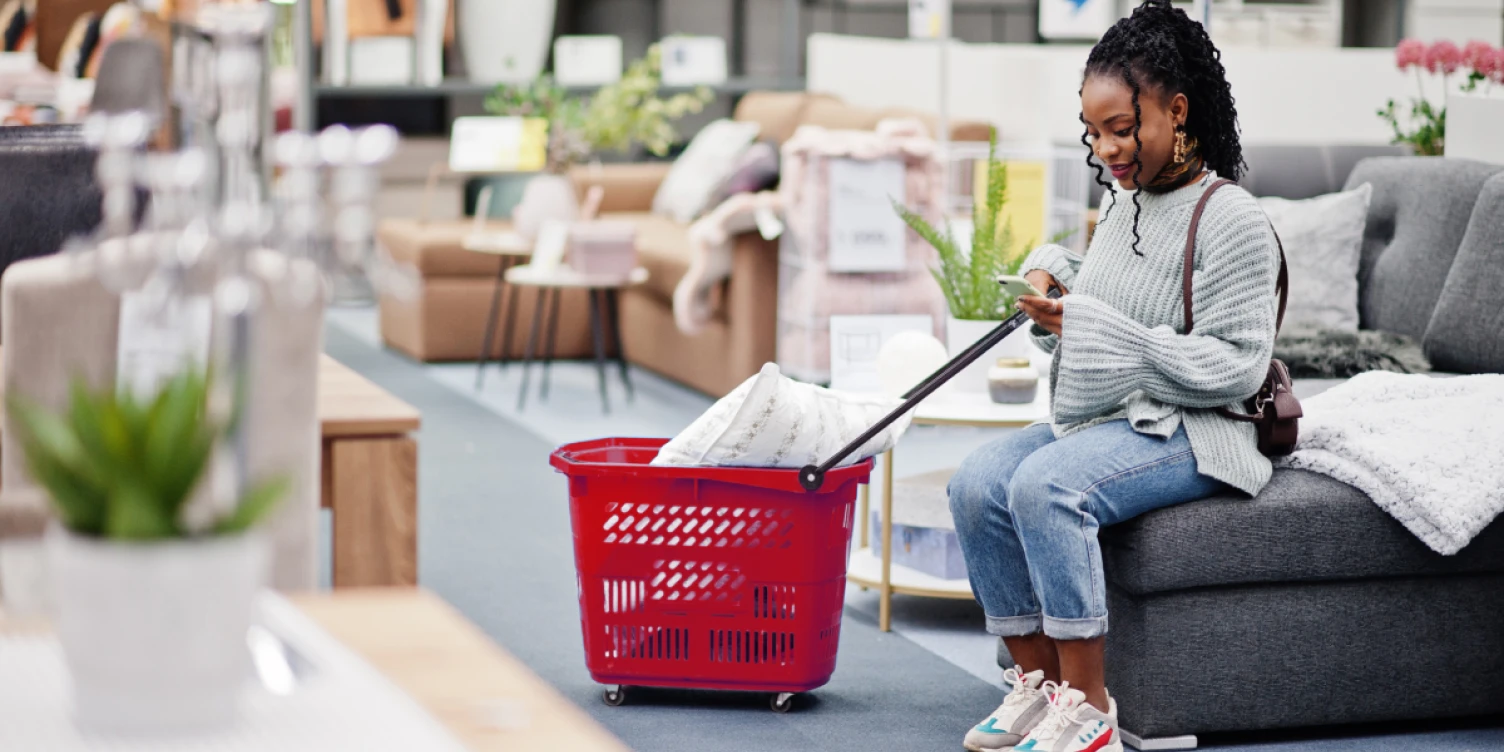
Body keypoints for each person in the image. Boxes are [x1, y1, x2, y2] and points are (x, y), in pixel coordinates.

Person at [949, 2, 1281, 751]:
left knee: (1045, 485)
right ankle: (1036, 686)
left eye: (1121, 129)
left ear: (1177, 109)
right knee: (975, 482)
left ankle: (1089, 708)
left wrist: (1093, 327)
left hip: (1200, 428)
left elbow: (1235, 366)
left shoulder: (1232, 219)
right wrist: (1056, 283)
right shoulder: (1127, 199)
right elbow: (1110, 303)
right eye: (1093, 131)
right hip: (1118, 417)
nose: (1104, 150)